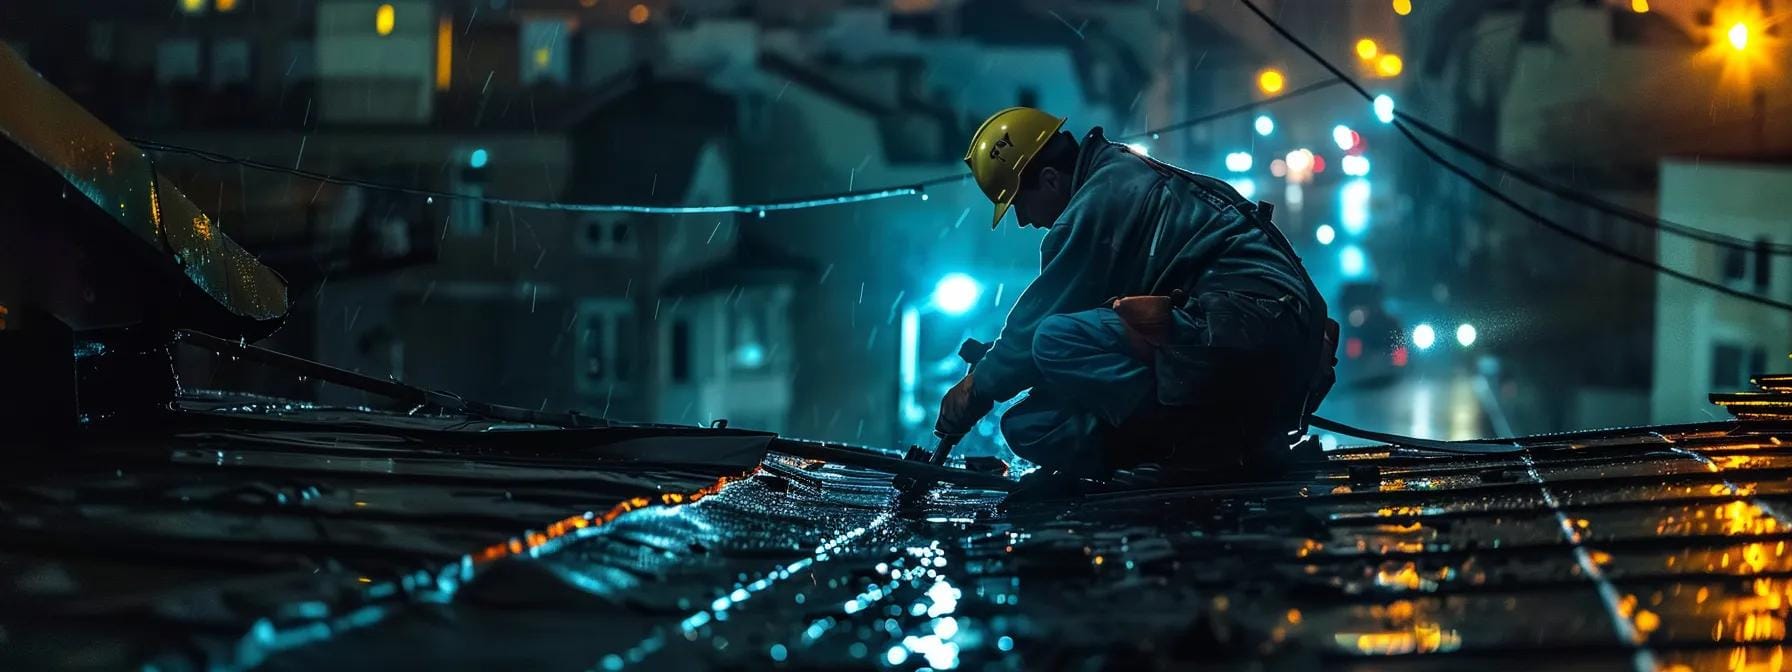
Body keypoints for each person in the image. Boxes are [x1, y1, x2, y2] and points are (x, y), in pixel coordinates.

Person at [936, 107, 1337, 486]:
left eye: (1020, 204)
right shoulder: (1113, 180)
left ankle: (1204, 449)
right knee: (1031, 424)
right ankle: (1203, 446)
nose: (1023, 220)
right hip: (1233, 340)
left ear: (1050, 179)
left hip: (1257, 328)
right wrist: (998, 366)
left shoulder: (1101, 199)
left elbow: (1039, 328)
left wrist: (977, 388)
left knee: (1056, 340)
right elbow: (1048, 335)